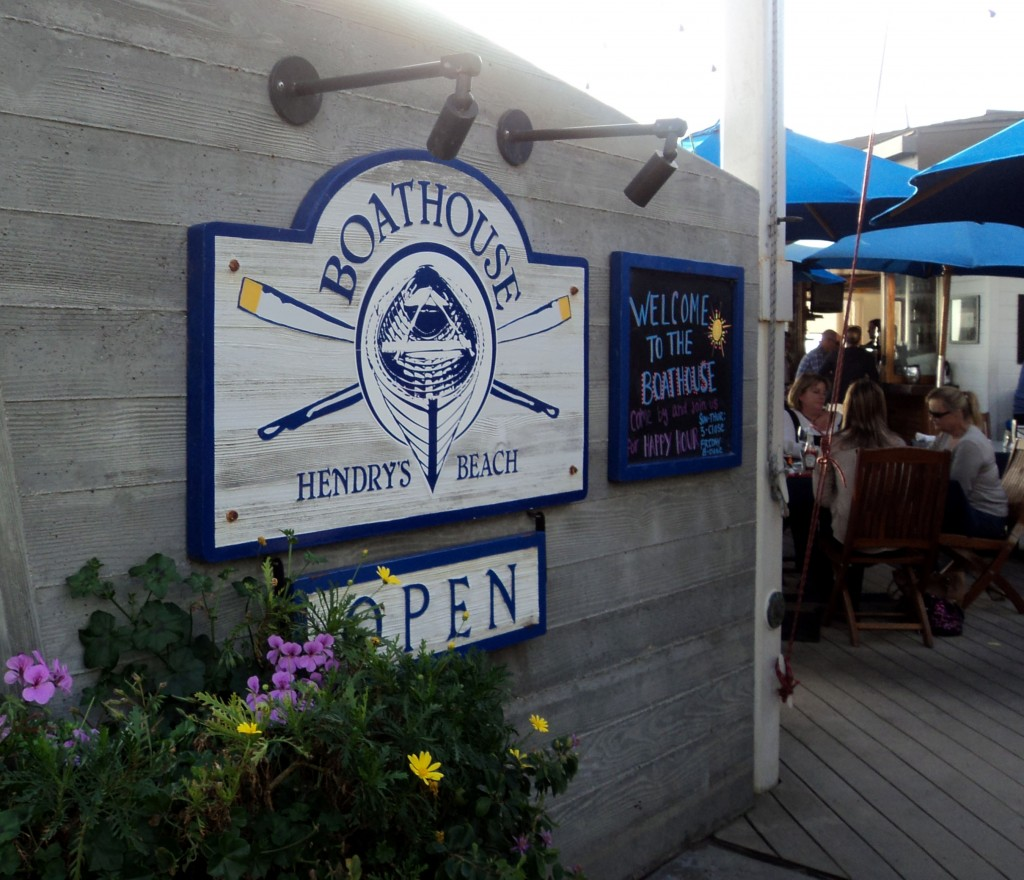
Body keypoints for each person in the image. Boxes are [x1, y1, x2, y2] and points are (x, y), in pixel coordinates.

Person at [813, 378, 905, 607]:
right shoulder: (900, 445)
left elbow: (822, 498)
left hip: (850, 537)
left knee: (822, 523)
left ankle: (827, 596)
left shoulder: (834, 445)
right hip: (894, 535)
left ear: (849, 407)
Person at [926, 386, 1008, 539]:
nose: (931, 418)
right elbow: (927, 462)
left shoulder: (969, 444)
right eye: (930, 413)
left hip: (986, 518)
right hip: (969, 510)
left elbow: (956, 490)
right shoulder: (946, 435)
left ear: (957, 413)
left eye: (937, 414)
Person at [783, 372, 839, 459]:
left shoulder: (837, 418)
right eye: (816, 392)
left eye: (824, 393)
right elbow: (788, 447)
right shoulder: (790, 416)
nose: (821, 397)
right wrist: (819, 452)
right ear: (800, 395)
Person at [834, 325, 879, 402]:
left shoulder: (835, 355)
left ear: (845, 339)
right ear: (860, 339)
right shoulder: (867, 356)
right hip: (858, 396)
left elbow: (821, 372)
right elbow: (874, 379)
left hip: (838, 396)